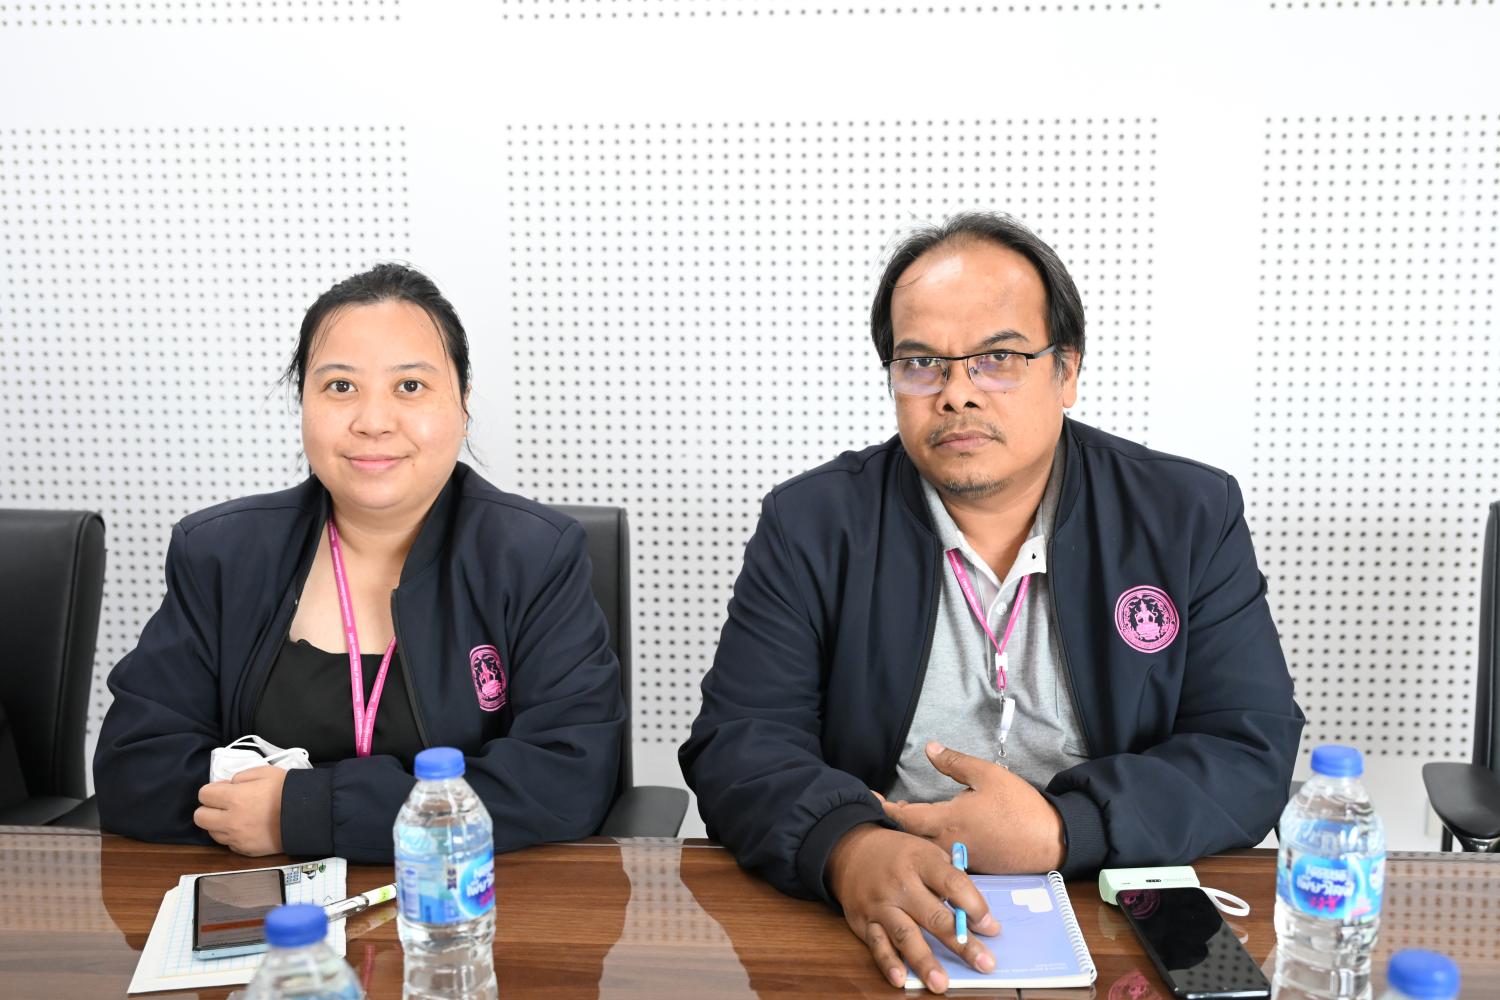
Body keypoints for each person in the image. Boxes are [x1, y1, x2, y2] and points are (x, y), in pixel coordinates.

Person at [679, 213, 1304, 993]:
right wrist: (845, 846)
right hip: (886, 898)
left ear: (1066, 371)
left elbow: (1248, 747)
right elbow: (739, 743)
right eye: (921, 363)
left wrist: (1066, 828)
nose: (956, 394)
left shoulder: (1185, 516)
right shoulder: (813, 523)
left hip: (1113, 890)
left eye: (999, 359)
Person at [94, 264, 626, 862]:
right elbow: (136, 768)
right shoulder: (220, 553)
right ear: (303, 401)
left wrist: (301, 812)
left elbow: (566, 778)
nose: (373, 422)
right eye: (340, 386)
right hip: (264, 904)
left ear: (463, 403)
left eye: (410, 386)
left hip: (460, 902)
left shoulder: (532, 556)